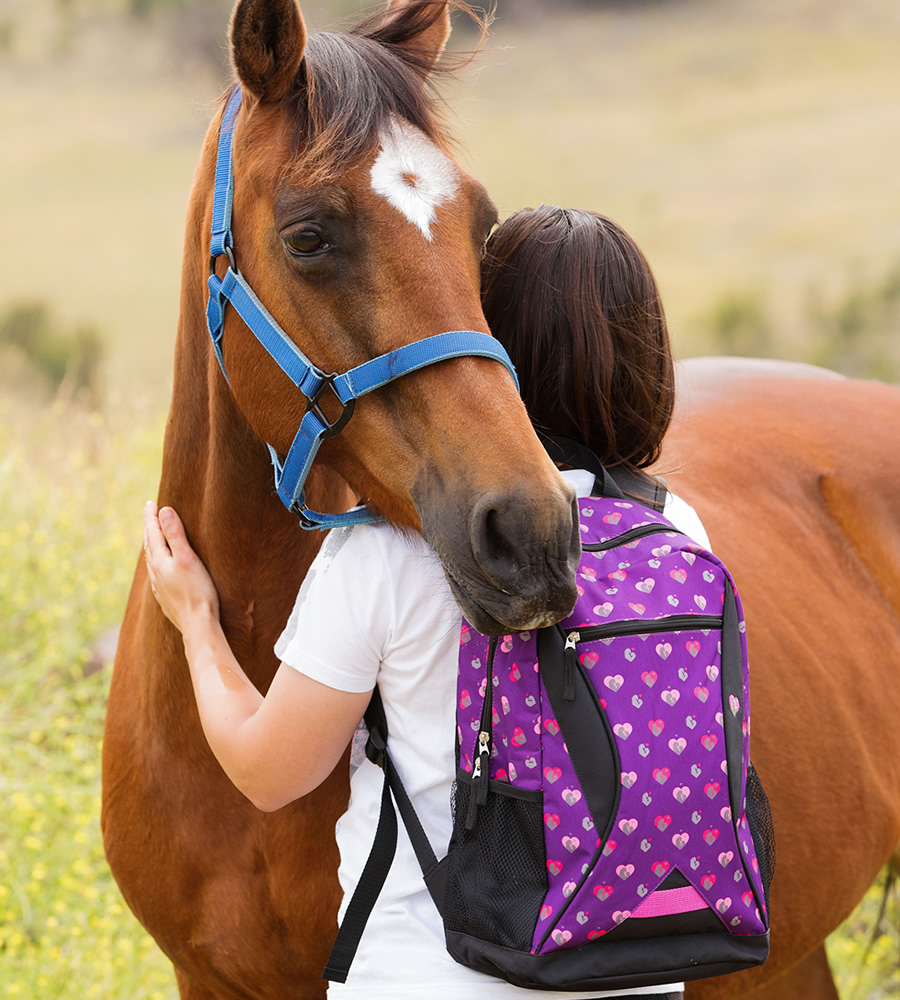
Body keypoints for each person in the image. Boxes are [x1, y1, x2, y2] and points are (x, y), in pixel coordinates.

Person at [143, 205, 706, 1000]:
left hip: (429, 975)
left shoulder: (391, 556)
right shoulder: (676, 529)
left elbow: (270, 774)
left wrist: (198, 623)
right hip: (630, 974)